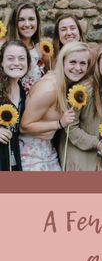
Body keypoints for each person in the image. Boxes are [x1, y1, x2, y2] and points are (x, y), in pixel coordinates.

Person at [20, 41, 91, 171]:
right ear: (63, 62)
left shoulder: (67, 84)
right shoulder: (50, 88)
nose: (78, 68)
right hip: (30, 153)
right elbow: (24, 126)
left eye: (83, 63)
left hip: (47, 149)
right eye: (72, 62)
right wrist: (59, 123)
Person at [59, 41, 102, 171]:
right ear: (98, 62)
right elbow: (71, 127)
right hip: (79, 141)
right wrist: (97, 145)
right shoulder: (83, 90)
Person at [0, 40, 30, 171]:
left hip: (12, 155)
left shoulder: (23, 90)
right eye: (10, 59)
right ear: (1, 62)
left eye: (22, 58)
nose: (17, 63)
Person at [7, 2, 44, 93]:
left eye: (31, 19)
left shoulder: (42, 48)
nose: (27, 24)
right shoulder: (6, 48)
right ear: (15, 23)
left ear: (37, 22)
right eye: (21, 19)